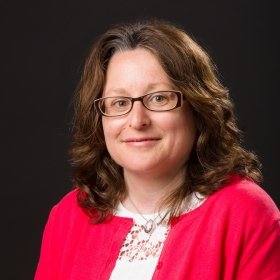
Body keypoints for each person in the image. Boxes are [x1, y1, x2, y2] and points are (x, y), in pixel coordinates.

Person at [34, 19, 280, 280]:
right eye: (119, 102)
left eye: (159, 98)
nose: (137, 120)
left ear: (197, 108)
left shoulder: (247, 213)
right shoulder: (69, 216)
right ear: (100, 118)